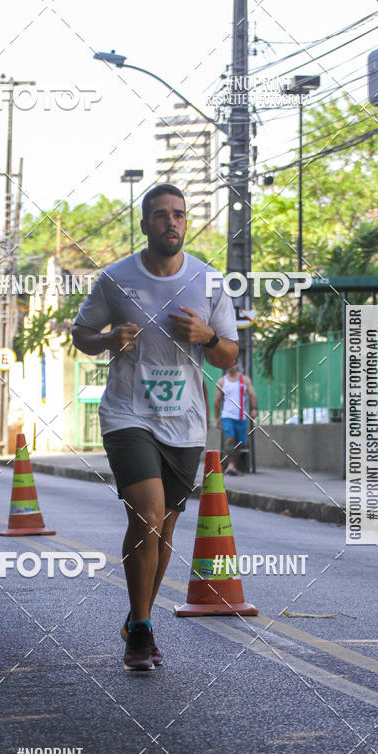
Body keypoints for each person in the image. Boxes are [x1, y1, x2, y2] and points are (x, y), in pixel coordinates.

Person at [72, 184, 238, 671]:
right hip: (128, 414)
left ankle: (136, 615)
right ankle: (142, 632)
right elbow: (80, 334)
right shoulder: (115, 279)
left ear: (186, 224)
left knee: (164, 528)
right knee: (147, 514)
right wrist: (106, 339)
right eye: (161, 215)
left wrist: (207, 336)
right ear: (144, 224)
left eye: (179, 215)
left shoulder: (209, 283)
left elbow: (229, 351)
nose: (172, 222)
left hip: (185, 421)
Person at [214, 362, 258, 476]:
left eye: (233, 363)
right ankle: (229, 465)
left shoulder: (244, 379)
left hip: (240, 416)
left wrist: (254, 408)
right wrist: (217, 417)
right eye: (229, 363)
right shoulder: (222, 381)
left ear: (238, 365)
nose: (230, 366)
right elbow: (217, 401)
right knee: (229, 438)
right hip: (227, 416)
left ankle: (232, 466)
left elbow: (252, 394)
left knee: (239, 443)